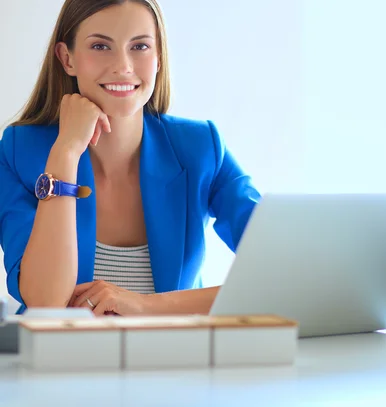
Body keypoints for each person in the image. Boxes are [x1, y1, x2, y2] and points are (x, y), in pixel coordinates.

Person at [0, 0, 261, 316]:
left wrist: (143, 304)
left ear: (158, 58)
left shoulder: (201, 147)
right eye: (100, 46)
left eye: (139, 46)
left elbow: (284, 276)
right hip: (63, 362)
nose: (123, 66)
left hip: (174, 361)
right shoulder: (18, 150)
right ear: (67, 58)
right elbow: (45, 301)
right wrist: (65, 153)